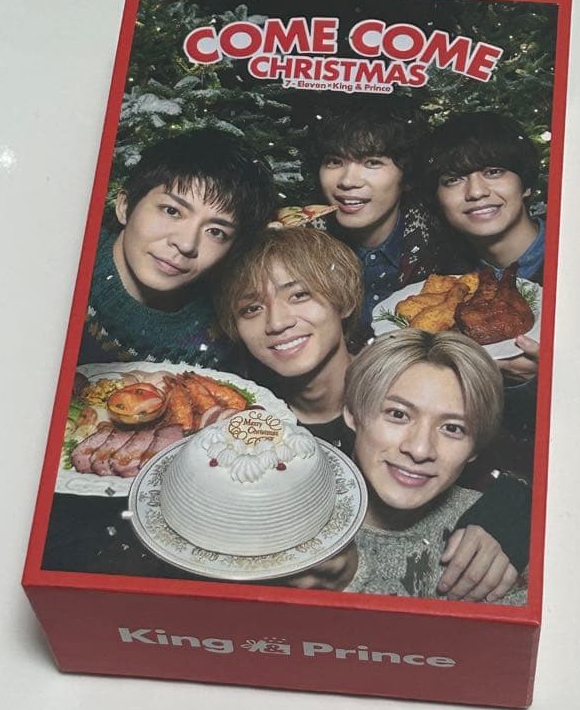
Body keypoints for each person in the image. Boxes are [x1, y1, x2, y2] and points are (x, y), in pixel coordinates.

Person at [216, 226, 528, 600]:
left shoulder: (416, 374)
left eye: (299, 295)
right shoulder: (245, 422)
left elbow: (526, 459)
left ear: (344, 300)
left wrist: (513, 511)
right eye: (252, 308)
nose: (277, 322)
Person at [336, 329, 524, 603]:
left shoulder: (498, 542)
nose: (420, 449)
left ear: (475, 447)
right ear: (352, 414)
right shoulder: (285, 513)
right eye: (398, 414)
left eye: (453, 428)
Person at [78, 127, 276, 368]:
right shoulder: (62, 262)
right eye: (171, 211)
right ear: (125, 206)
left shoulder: (215, 346)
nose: (186, 244)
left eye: (215, 232)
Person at [422, 111, 545, 385]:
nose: (476, 192)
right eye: (453, 179)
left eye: (493, 172)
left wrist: (551, 375)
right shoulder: (442, 283)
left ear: (525, 185)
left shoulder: (577, 258)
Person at [307, 102, 455, 328]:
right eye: (334, 161)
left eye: (372, 163)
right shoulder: (298, 249)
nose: (347, 181)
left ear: (407, 176)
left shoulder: (443, 244)